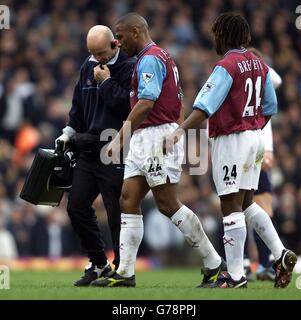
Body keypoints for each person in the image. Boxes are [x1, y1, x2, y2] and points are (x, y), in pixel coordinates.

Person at [91, 12, 225, 288]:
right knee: (128, 198)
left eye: (121, 35)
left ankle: (214, 264)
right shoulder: (157, 57)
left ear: (137, 32)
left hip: (154, 135)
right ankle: (126, 272)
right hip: (147, 136)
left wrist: (119, 137)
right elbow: (174, 97)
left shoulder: (150, 58)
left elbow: (147, 102)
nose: (117, 42)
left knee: (166, 204)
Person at [165, 12, 297, 288]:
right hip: (255, 137)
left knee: (230, 205)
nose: (214, 38)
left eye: (216, 33)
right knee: (248, 202)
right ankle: (280, 253)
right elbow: (271, 107)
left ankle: (236, 276)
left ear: (224, 35)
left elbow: (205, 106)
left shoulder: (227, 65)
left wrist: (180, 131)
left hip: (232, 139)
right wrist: (252, 127)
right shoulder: (260, 64)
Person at [55, 25, 135, 286]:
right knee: (76, 206)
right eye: (92, 53)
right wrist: (68, 132)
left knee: (115, 213)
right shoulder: (87, 65)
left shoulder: (129, 66)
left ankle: (122, 270)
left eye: (100, 53)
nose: (96, 58)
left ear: (115, 44)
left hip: (115, 147)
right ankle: (99, 263)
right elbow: (78, 105)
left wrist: (107, 81)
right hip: (88, 148)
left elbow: (128, 106)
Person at [245, 47, 283, 282]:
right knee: (240, 208)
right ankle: (252, 264)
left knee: (262, 209)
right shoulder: (247, 91)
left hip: (259, 153)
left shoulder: (262, 88)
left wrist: (256, 64)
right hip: (246, 151)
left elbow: (277, 78)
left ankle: (263, 264)